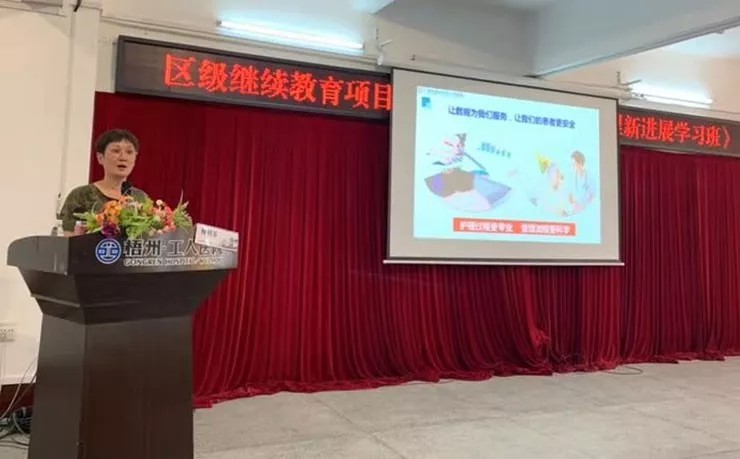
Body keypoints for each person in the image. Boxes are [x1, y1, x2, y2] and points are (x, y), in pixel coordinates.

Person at [59, 129, 148, 236]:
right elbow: (70, 239)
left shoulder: (140, 198)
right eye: (116, 151)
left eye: (129, 152)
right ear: (100, 158)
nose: (123, 157)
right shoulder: (81, 195)